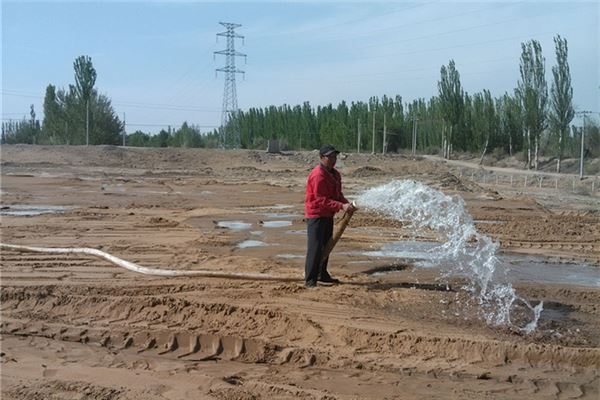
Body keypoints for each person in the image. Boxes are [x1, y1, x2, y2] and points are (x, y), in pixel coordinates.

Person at [304, 144, 356, 288]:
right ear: (321, 158)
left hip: (328, 214)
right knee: (315, 248)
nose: (333, 159)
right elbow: (321, 199)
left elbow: (337, 195)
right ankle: (310, 280)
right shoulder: (318, 175)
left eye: (335, 156)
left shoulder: (335, 174)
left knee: (326, 246)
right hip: (316, 214)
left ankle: (322, 274)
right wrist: (341, 206)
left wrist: (347, 204)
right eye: (330, 157)